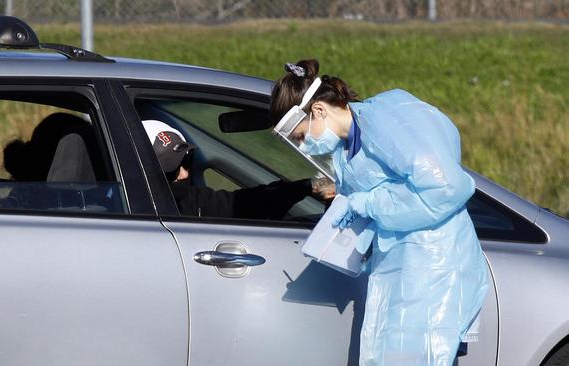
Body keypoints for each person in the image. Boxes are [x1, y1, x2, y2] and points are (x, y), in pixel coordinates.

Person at [270, 59, 488, 365]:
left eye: (302, 137)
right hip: (397, 266)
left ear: (318, 110)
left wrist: (370, 203)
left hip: (433, 265)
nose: (305, 147)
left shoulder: (386, 122)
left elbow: (447, 188)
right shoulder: (345, 149)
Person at [142, 119, 327, 219]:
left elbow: (241, 204)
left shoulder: (192, 200)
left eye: (186, 161)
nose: (184, 173)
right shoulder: (136, 212)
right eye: (171, 168)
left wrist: (306, 187)